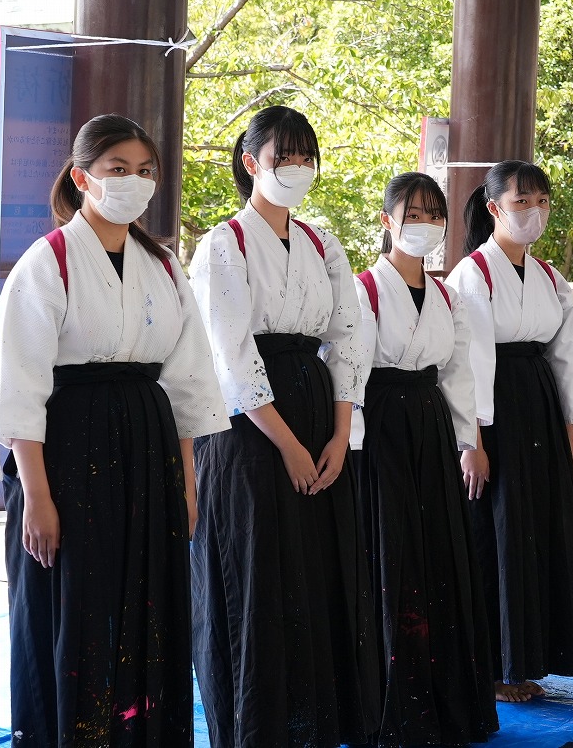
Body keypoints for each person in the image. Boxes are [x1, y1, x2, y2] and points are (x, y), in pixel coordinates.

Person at [0, 115, 229, 745]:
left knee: (149, 600)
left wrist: (188, 482)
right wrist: (35, 497)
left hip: (150, 446)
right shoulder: (48, 262)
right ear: (81, 178)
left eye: (144, 171)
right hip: (69, 447)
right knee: (80, 600)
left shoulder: (163, 265)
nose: (133, 181)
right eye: (117, 169)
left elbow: (188, 380)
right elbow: (20, 386)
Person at [188, 105, 380, 746]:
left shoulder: (326, 244)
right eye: (283, 156)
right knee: (258, 575)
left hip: (319, 410)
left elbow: (348, 337)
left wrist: (340, 435)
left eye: (305, 157)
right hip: (251, 429)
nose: (296, 167)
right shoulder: (224, 243)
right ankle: (258, 727)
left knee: (321, 571)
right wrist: (291, 447)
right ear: (251, 163)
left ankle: (319, 723)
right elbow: (229, 353)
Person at [352, 172, 499, 744]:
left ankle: (445, 701)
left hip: (432, 425)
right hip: (379, 429)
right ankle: (387, 704)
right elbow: (348, 374)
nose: (425, 225)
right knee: (390, 556)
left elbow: (459, 374)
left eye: (434, 215)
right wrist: (351, 447)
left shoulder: (446, 295)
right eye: (412, 214)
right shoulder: (363, 289)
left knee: (437, 553)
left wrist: (471, 443)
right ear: (387, 221)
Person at [447, 160, 573, 703]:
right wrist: (472, 443)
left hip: (539, 404)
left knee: (543, 531)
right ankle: (495, 666)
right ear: (494, 208)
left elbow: (566, 358)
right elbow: (465, 365)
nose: (534, 212)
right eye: (522, 202)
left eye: (542, 201)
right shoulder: (472, 274)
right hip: (495, 416)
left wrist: (568, 431)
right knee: (500, 534)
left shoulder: (550, 277)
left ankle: (532, 656)